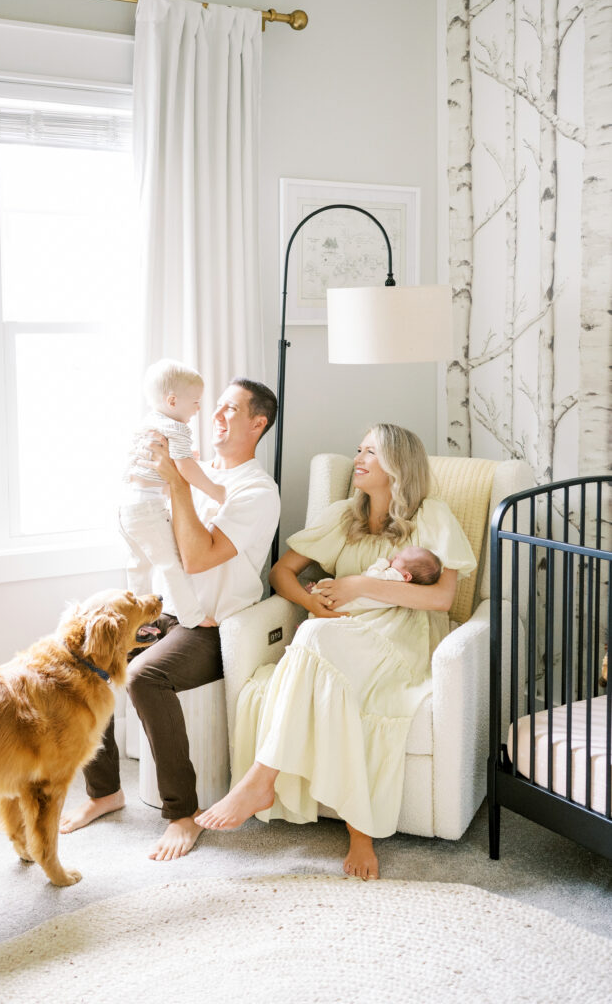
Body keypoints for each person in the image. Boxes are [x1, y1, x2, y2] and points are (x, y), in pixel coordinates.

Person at [196, 423, 476, 882]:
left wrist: (361, 585)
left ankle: (261, 780)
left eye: (371, 452)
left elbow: (442, 599)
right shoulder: (343, 516)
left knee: (313, 641)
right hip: (338, 630)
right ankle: (357, 830)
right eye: (358, 449)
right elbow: (282, 573)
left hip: (399, 638)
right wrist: (311, 604)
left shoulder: (432, 515)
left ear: (398, 465)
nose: (358, 459)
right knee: (318, 648)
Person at [60, 378, 280, 862]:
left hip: (213, 627)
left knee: (144, 677)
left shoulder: (257, 492)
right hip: (166, 612)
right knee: (82, 660)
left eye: (230, 409)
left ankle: (183, 813)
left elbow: (198, 558)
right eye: (216, 406)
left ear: (258, 423)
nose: (216, 415)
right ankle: (104, 792)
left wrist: (178, 481)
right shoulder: (193, 469)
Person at [119, 358, 225, 629]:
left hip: (125, 507)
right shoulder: (176, 428)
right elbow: (186, 470)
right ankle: (193, 616)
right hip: (147, 509)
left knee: (138, 565)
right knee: (171, 564)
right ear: (173, 401)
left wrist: (186, 458)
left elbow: (154, 470)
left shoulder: (148, 423)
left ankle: (138, 622)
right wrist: (216, 491)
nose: (199, 408)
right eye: (196, 401)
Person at [308, 545, 442, 614]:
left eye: (398, 558)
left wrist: (382, 563)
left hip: (357, 599)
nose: (395, 556)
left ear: (407, 576)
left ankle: (313, 591)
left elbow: (372, 577)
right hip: (360, 600)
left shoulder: (395, 576)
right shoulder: (403, 588)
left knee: (328, 589)